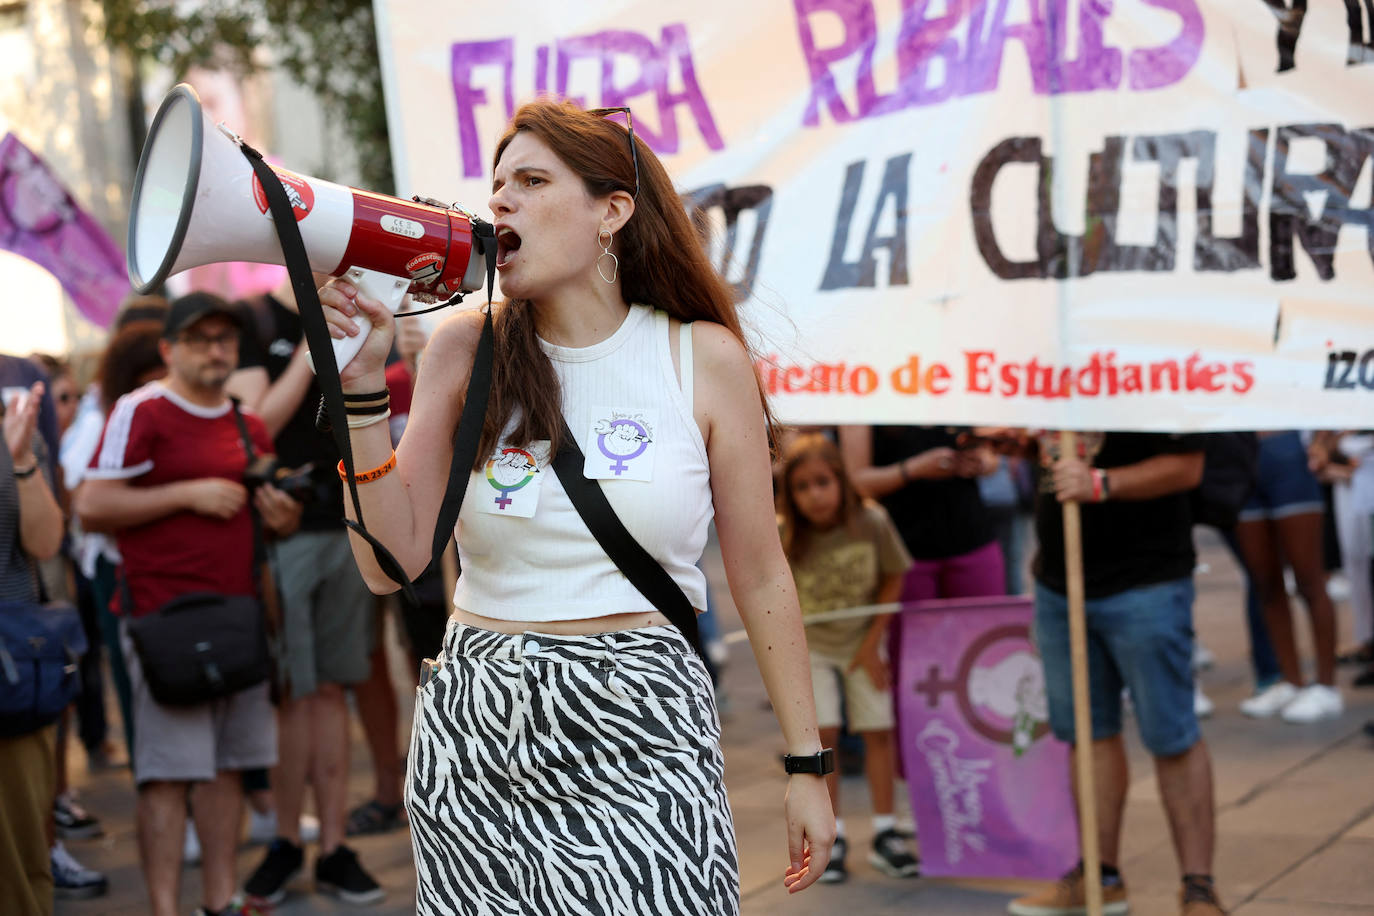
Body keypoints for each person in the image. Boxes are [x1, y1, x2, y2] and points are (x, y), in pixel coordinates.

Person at [315, 99, 834, 913]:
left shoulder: (701, 357)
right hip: (476, 724)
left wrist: (807, 767)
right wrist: (360, 392)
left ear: (612, 212)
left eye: (530, 180)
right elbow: (391, 565)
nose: (501, 204)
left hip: (641, 718)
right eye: (497, 187)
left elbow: (763, 574)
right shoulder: (464, 346)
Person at [76, 293, 301, 916]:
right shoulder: (140, 409)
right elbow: (92, 506)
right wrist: (188, 494)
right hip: (161, 619)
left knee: (229, 770)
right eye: (199, 339)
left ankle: (220, 901)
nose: (215, 350)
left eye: (225, 339)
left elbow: (261, 517)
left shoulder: (245, 423)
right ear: (169, 349)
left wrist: (279, 518)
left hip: (236, 616)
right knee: (168, 776)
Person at [1006, 431, 1225, 916]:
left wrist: (1103, 483)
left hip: (1146, 579)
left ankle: (1198, 889)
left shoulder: (1150, 362)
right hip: (1059, 583)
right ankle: (1100, 876)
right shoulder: (1048, 368)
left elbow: (1188, 465)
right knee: (1088, 733)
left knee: (1172, 735)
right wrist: (1020, 444)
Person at [228, 275, 386, 905]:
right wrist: (310, 345)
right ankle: (288, 839)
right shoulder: (257, 321)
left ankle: (334, 846)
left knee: (332, 692)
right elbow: (255, 427)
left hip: (344, 523)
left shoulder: (357, 315)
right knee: (295, 695)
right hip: (283, 536)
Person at [777, 433, 917, 884]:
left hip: (863, 643)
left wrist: (873, 642)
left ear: (840, 480)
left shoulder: (872, 521)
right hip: (811, 647)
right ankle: (830, 836)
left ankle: (885, 832)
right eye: (802, 486)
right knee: (823, 738)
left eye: (822, 482)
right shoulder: (785, 533)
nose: (814, 495)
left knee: (878, 730)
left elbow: (894, 577)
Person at [0, 380, 66, 915]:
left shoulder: (13, 421)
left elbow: (45, 543)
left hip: (9, 677)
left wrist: (19, 457)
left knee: (21, 863)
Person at [1234, 431, 1343, 723]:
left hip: (1288, 450)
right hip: (1242, 453)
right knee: (1265, 583)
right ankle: (1291, 680)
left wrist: (1322, 443)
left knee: (1310, 579)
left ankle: (1326, 685)